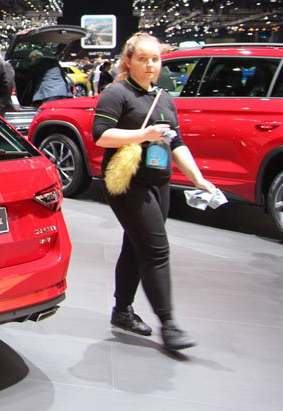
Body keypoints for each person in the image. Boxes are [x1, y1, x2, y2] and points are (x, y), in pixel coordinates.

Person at [93, 32, 217, 351]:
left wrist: (198, 179)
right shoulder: (116, 93)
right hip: (127, 183)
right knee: (156, 250)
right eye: (143, 59)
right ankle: (169, 324)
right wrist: (143, 134)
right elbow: (101, 136)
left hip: (160, 182)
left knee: (137, 246)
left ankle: (122, 311)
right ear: (128, 61)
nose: (150, 65)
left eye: (155, 59)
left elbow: (177, 142)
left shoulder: (163, 97)